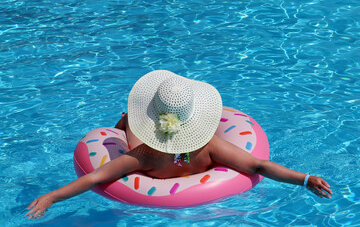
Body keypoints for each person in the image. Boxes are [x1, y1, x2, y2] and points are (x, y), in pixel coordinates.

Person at [26, 70, 332, 219]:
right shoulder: (210, 146)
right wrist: (304, 179)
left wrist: (51, 197)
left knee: (127, 124)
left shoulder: (143, 155)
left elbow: (96, 177)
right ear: (195, 118)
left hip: (147, 177)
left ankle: (123, 122)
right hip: (208, 208)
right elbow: (258, 165)